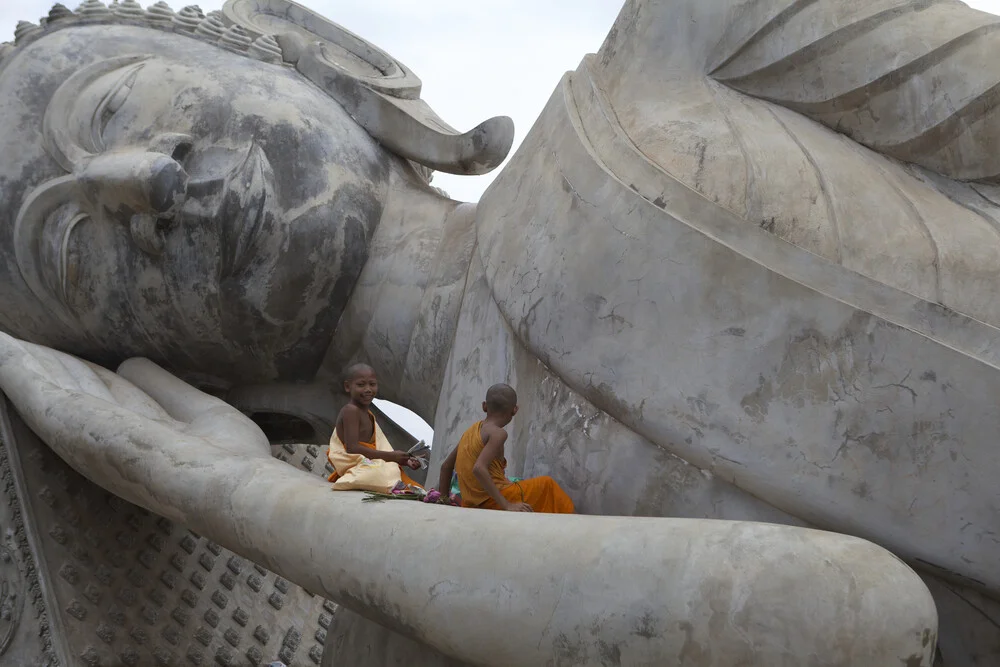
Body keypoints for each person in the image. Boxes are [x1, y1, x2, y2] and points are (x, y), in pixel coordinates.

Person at [437, 384, 574, 513]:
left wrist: (443, 500)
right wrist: (507, 505)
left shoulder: (469, 432)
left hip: (470, 503)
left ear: (484, 406)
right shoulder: (498, 433)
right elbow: (479, 468)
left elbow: (446, 466)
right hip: (493, 501)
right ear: (514, 410)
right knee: (547, 484)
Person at [327, 364, 423, 493]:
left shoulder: (369, 416)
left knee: (389, 473)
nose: (368, 389)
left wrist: (405, 461)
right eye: (361, 385)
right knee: (377, 474)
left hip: (372, 464)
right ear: (348, 387)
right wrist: (392, 457)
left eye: (372, 384)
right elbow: (352, 448)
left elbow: (380, 448)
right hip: (358, 465)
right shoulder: (351, 411)